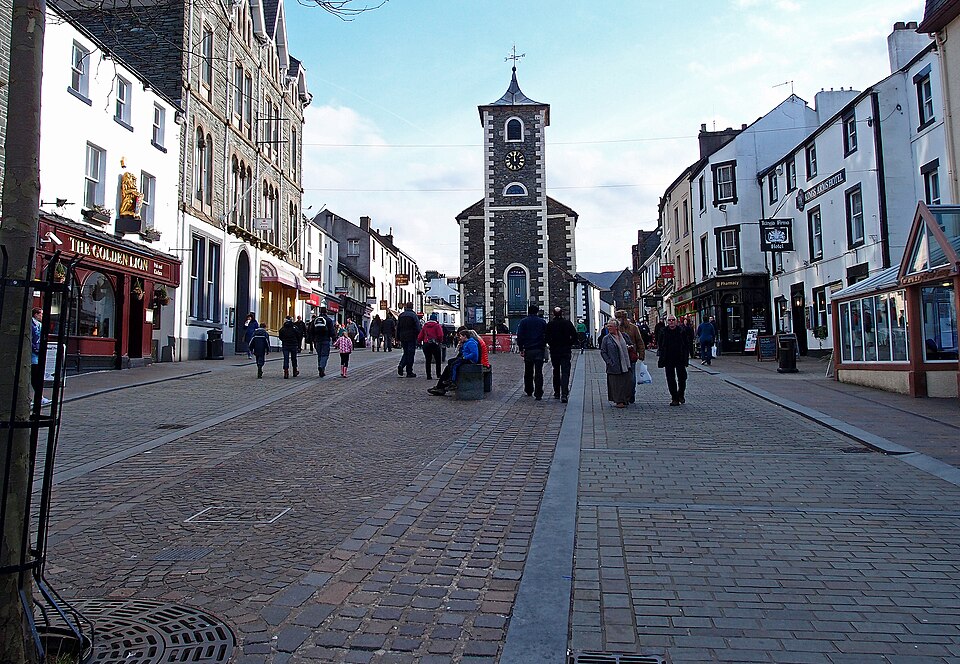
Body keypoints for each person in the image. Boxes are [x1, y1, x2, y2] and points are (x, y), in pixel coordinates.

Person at [428, 328, 479, 396]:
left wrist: (464, 357)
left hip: (469, 360)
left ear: (465, 336)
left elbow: (472, 354)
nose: (459, 338)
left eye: (460, 336)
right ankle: (442, 386)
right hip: (468, 359)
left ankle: (446, 384)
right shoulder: (469, 342)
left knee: (452, 365)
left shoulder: (470, 343)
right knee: (450, 365)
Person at [545, 306, 578, 403]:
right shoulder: (567, 323)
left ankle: (556, 392)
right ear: (562, 313)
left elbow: (546, 337)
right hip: (565, 350)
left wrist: (551, 343)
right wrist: (569, 343)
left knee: (556, 371)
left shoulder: (550, 324)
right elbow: (575, 336)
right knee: (565, 372)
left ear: (553, 314)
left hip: (555, 350)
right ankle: (564, 393)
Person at [515, 304, 547, 400]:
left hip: (528, 349)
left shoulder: (523, 322)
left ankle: (529, 389)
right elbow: (546, 334)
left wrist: (521, 348)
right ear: (537, 311)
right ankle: (538, 393)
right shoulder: (542, 322)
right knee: (539, 372)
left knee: (528, 371)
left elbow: (520, 336)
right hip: (539, 349)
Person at [599, 319, 632, 408]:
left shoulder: (624, 336)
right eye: (608, 326)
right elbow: (603, 352)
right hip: (613, 365)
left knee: (626, 383)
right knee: (616, 385)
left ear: (616, 327)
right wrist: (609, 362)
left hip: (625, 363)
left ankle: (625, 399)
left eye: (611, 326)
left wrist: (629, 347)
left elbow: (630, 344)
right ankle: (618, 401)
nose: (609, 328)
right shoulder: (606, 339)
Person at [658, 315, 689, 406]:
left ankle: (681, 394)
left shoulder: (681, 331)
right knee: (670, 379)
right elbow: (660, 345)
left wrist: (686, 358)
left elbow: (686, 344)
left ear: (676, 321)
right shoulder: (663, 331)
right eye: (669, 320)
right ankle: (674, 398)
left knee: (682, 378)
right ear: (667, 322)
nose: (671, 322)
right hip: (668, 358)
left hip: (680, 357)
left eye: (673, 320)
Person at [616, 310, 646, 404]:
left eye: (619, 318)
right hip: (620, 356)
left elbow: (639, 341)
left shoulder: (633, 328)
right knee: (622, 377)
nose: (618, 320)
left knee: (631, 377)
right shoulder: (616, 328)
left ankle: (631, 393)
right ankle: (624, 395)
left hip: (631, 355)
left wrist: (641, 354)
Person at [31, 307, 51, 407]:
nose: (42, 316)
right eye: (41, 314)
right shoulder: (33, 325)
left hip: (36, 355)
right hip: (34, 356)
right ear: (36, 314)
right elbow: (33, 339)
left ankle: (39, 397)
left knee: (35, 378)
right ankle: (39, 398)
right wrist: (37, 349)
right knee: (35, 378)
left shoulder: (38, 325)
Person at [396, 303, 421, 377]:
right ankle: (409, 371)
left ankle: (401, 364)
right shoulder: (413, 315)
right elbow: (418, 327)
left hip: (403, 336)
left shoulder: (401, 315)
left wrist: (398, 337)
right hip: (411, 336)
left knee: (406, 352)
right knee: (411, 353)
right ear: (412, 307)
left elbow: (398, 327)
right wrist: (419, 336)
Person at [309, 307, 335, 377]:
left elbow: (311, 330)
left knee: (319, 355)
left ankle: (321, 370)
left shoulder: (316, 320)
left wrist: (312, 339)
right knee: (325, 355)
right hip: (326, 340)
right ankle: (321, 366)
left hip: (317, 340)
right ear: (326, 312)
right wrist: (334, 338)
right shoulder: (328, 320)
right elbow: (332, 330)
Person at [417, 312, 445, 379]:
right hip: (435, 344)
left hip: (426, 344)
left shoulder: (425, 326)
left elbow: (420, 336)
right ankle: (438, 374)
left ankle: (428, 375)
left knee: (428, 360)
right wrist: (440, 341)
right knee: (438, 360)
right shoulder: (437, 326)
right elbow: (440, 335)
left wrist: (419, 342)